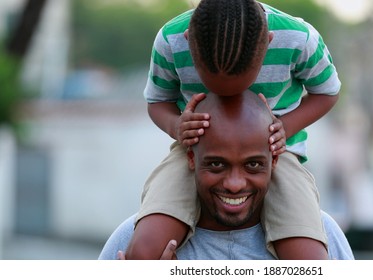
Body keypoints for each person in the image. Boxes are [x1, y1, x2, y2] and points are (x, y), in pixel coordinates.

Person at [127, 0, 341, 260]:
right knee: (143, 252)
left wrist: (284, 127)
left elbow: (327, 91)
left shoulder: (298, 38)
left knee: (309, 260)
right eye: (215, 87)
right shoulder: (171, 40)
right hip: (197, 151)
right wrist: (176, 125)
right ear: (188, 42)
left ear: (269, 42)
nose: (229, 101)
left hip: (275, 152)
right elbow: (158, 101)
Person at [99, 92, 353, 260]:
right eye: (217, 165)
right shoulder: (133, 242)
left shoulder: (322, 235)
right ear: (190, 159)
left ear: (274, 160)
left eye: (253, 165)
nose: (234, 184)